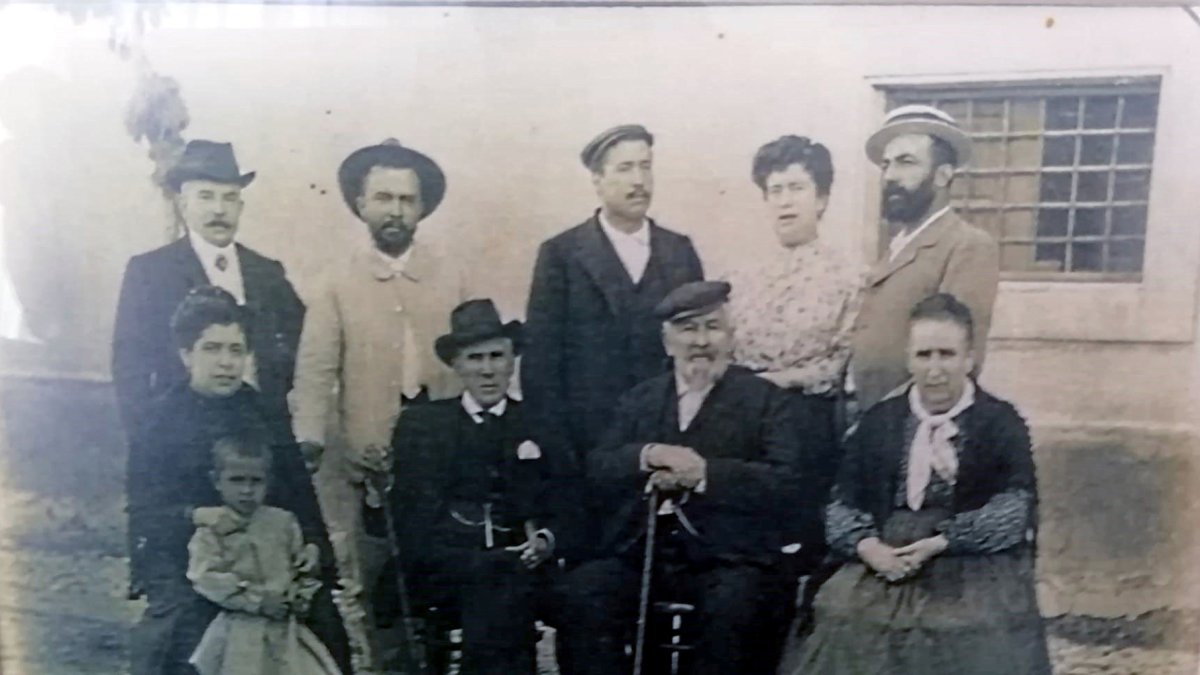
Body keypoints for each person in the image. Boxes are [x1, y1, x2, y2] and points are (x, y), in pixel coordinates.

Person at [780, 293, 1051, 675]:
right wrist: (868, 547)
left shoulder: (1000, 421)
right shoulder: (880, 421)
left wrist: (943, 541)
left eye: (947, 354)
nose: (935, 369)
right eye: (924, 355)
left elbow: (1014, 510)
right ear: (908, 358)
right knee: (845, 615)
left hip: (970, 558)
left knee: (969, 629)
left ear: (969, 358)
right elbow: (842, 502)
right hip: (886, 550)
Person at [558, 281, 806, 675]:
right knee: (583, 593)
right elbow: (599, 466)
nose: (702, 341)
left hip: (729, 558)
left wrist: (705, 473)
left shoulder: (764, 400)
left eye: (713, 327)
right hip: (642, 552)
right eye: (688, 329)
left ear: (731, 336)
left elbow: (787, 481)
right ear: (667, 340)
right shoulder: (639, 399)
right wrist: (647, 455)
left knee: (736, 609)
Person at [289, 138, 466, 668]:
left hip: (441, 459)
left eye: (406, 200)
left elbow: (474, 360)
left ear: (422, 209)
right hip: (367, 460)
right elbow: (316, 367)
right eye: (383, 198)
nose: (394, 211)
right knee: (374, 581)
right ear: (361, 205)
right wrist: (311, 436)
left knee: (437, 574)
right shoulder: (337, 282)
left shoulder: (449, 276)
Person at [126, 287, 343, 675]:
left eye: (236, 350)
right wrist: (198, 516)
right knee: (185, 630)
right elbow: (145, 512)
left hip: (268, 555)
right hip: (187, 559)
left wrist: (310, 543)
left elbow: (298, 492)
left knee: (324, 623)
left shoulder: (263, 411)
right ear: (186, 354)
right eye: (212, 349)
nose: (226, 363)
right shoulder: (159, 421)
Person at [522, 124, 704, 562]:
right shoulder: (562, 255)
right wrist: (564, 458)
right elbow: (541, 367)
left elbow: (699, 352)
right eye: (624, 168)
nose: (638, 180)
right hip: (589, 455)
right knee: (594, 582)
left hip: (665, 451)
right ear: (598, 180)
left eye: (646, 166)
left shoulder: (679, 252)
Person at [384, 299, 557, 675]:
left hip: (523, 563)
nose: (488, 370)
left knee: (508, 580)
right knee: (496, 581)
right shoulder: (424, 424)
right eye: (475, 359)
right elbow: (411, 515)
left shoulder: (537, 423)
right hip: (446, 565)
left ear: (513, 361)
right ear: (457, 365)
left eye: (498, 356)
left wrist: (545, 539)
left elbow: (564, 500)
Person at [724, 135, 863, 580]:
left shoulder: (849, 276)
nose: (785, 201)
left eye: (797, 188)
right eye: (775, 190)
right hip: (744, 423)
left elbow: (838, 363)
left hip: (808, 425)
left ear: (821, 199)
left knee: (797, 546)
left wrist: (776, 383)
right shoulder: (740, 276)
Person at [112, 140, 304, 445]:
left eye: (229, 199)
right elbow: (129, 366)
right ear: (183, 205)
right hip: (182, 435)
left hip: (260, 434)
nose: (219, 210)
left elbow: (304, 343)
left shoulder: (266, 272)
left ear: (240, 207)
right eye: (206, 197)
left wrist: (277, 398)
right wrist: (147, 438)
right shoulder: (150, 272)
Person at [851, 105, 1000, 409]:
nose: (891, 176)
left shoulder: (967, 245)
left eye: (906, 162)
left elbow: (952, 361)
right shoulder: (895, 247)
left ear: (943, 175)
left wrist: (893, 426)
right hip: (861, 415)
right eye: (886, 165)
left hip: (907, 425)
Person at [187, 434, 341, 675]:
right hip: (242, 628)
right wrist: (256, 601)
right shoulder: (213, 527)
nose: (247, 491)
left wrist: (301, 596)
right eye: (236, 481)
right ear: (216, 481)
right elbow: (205, 576)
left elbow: (301, 568)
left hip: (286, 626)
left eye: (255, 481)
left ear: (268, 483)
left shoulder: (283, 522)